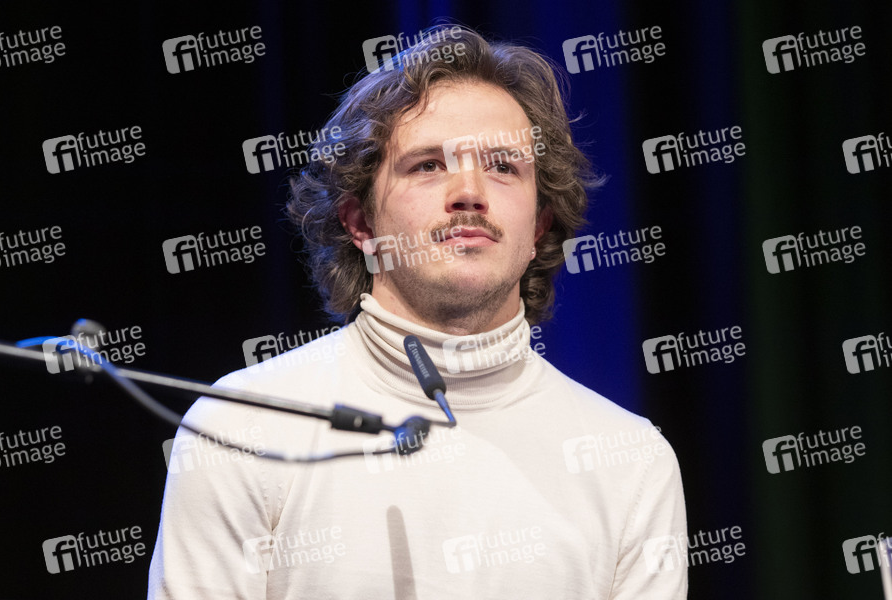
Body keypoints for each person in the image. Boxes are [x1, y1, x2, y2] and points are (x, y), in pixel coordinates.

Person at [148, 25, 687, 599]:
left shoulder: (632, 462)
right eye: (428, 165)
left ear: (538, 226)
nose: (470, 192)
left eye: (503, 166)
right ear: (360, 223)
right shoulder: (241, 426)